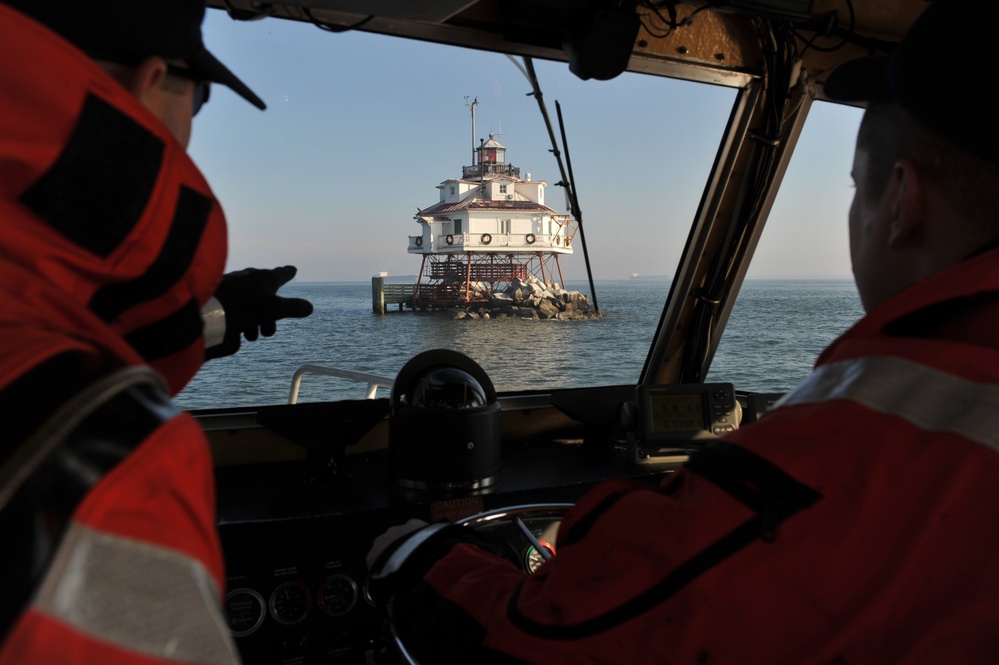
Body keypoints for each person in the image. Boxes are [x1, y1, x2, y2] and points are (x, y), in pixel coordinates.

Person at [367, 0, 999, 661]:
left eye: (853, 187)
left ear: (900, 200)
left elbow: (548, 638)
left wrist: (420, 555)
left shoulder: (859, 448)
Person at [0, 1, 310, 662]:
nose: (191, 131)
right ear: (148, 83)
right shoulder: (103, 452)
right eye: (196, 103)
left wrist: (216, 310)